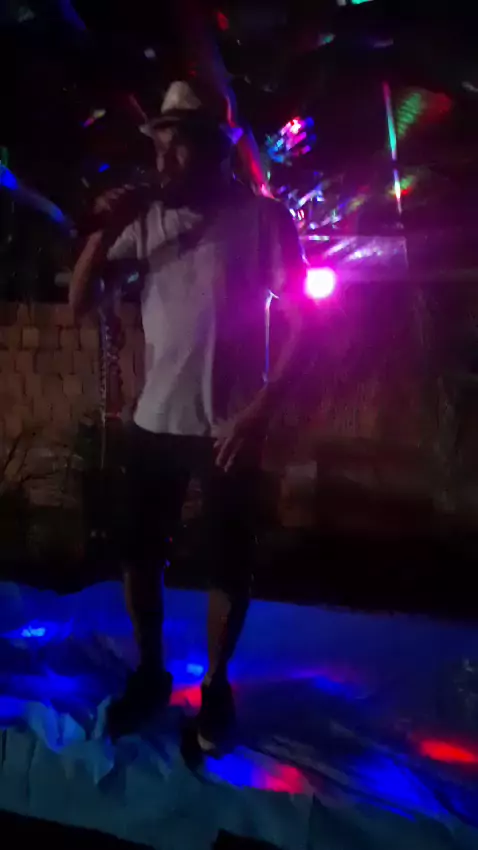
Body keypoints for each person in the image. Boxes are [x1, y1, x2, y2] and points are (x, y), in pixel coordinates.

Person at [69, 80, 307, 752]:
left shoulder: (263, 220)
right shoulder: (148, 221)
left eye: (176, 150)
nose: (162, 164)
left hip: (229, 428)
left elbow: (304, 324)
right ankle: (151, 673)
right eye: (158, 150)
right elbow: (80, 303)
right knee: (139, 557)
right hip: (155, 421)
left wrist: (259, 412)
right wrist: (103, 231)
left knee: (228, 563)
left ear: (213, 152)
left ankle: (217, 686)